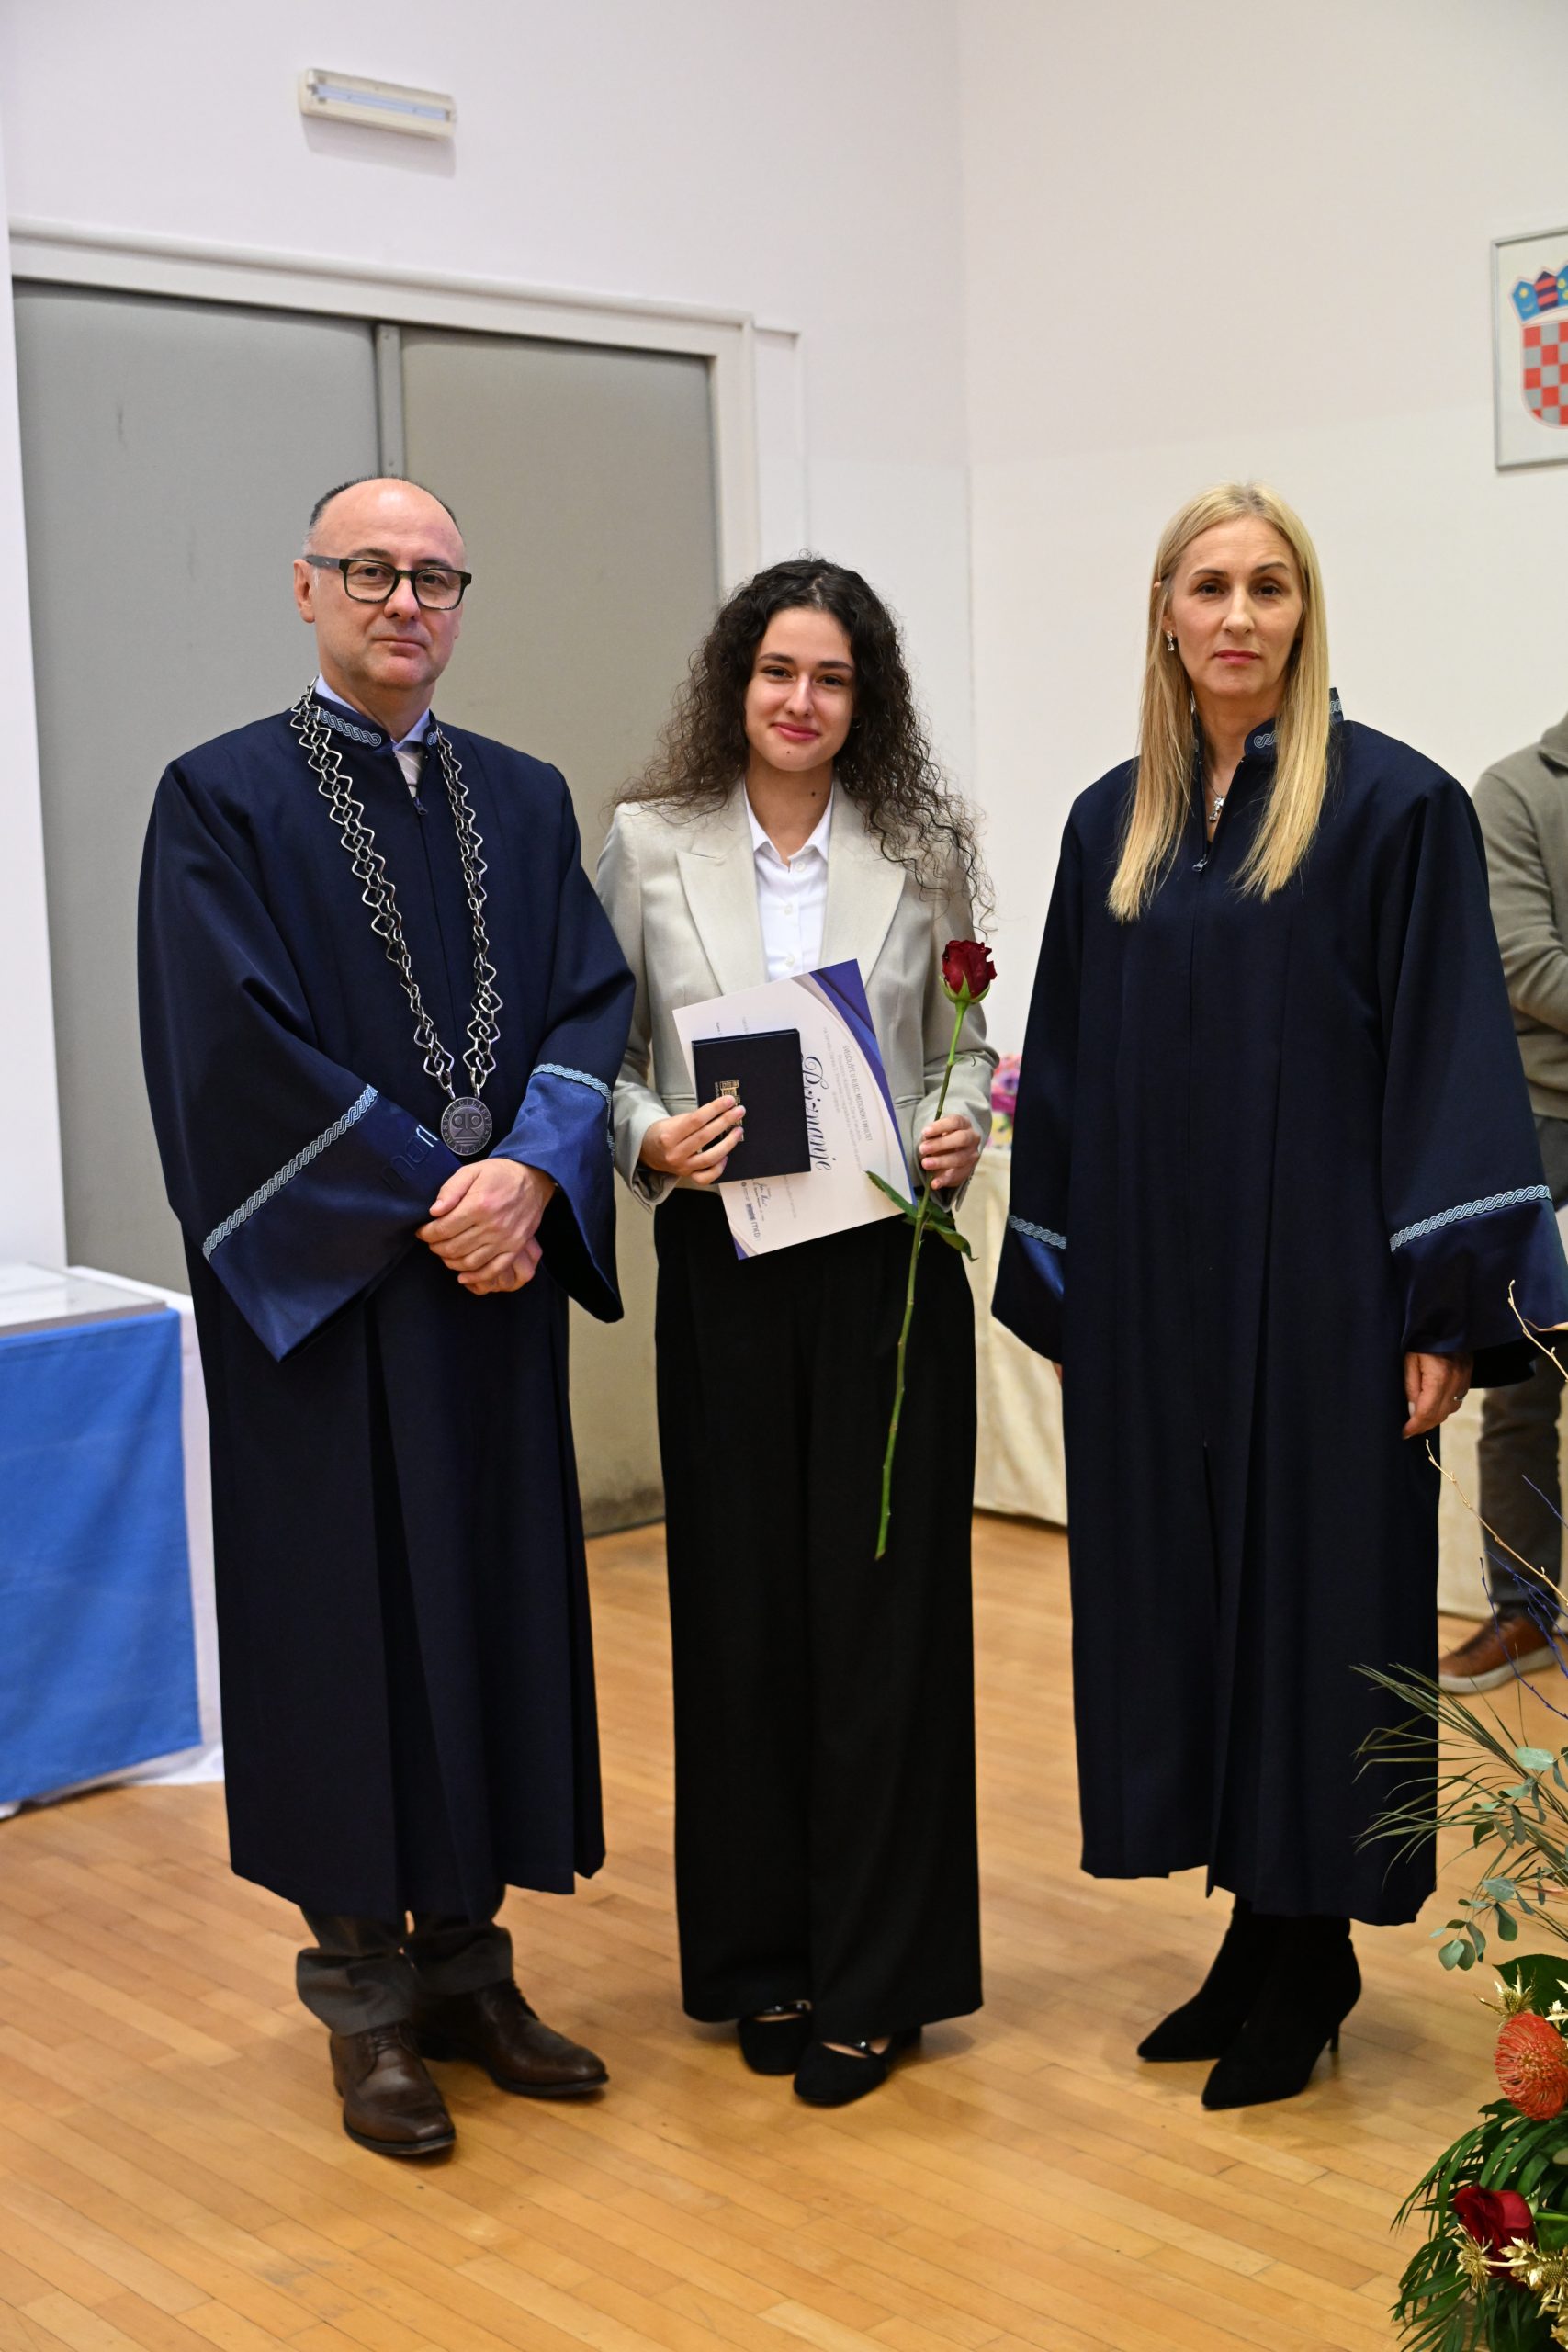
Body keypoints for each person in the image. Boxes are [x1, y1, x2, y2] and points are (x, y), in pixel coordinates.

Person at [993, 481, 1568, 2111]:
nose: (1237, 614)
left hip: (1326, 1298)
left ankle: (1311, 1951)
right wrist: (1070, 1288)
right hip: (1160, 1301)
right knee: (1189, 1606)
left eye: (1267, 586)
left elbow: (1451, 1059)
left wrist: (1440, 1309)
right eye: (1207, 586)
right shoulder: (1111, 825)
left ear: (1303, 613)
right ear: (1164, 616)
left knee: (1318, 1607)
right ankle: (1254, 1929)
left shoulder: (1392, 808)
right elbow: (1069, 1067)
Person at [139, 476, 635, 2158]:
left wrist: (536, 1175)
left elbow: (588, 1003)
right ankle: (363, 2003)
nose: (404, 601)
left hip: (487, 1303)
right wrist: (442, 1192)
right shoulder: (219, 799)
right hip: (336, 1311)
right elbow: (226, 1050)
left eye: (434, 577)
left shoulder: (524, 796)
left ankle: (472, 1971)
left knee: (487, 1616)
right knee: (343, 1636)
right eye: (369, 571)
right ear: (306, 588)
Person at [595, 556, 994, 2106]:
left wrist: (964, 1127)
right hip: (725, 1271)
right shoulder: (645, 843)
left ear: (862, 698)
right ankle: (762, 1958)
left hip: (885, 1274)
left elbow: (964, 1047)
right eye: (777, 672)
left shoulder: (920, 852)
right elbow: (599, 1058)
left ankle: (877, 1980)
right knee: (740, 1616)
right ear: (735, 682)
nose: (801, 701)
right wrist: (646, 1138)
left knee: (884, 1630)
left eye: (831, 677)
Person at [1438, 713, 1568, 1692]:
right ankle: (1525, 1612)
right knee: (1522, 1390)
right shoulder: (1515, 790)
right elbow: (1525, 963)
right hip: (1545, 1129)